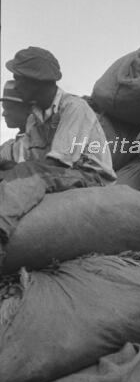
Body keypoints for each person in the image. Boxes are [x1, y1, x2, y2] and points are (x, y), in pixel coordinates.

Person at [0, 47, 115, 257]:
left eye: (18, 78)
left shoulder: (73, 108)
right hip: (55, 174)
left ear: (36, 81)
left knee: (27, 175)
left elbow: (58, 164)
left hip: (89, 176)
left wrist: (17, 171)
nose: (15, 85)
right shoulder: (35, 117)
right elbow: (29, 161)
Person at [0, 80, 30, 164]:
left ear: (28, 109)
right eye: (4, 108)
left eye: (9, 108)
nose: (4, 114)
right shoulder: (7, 147)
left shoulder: (43, 143)